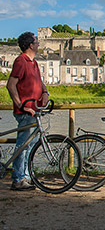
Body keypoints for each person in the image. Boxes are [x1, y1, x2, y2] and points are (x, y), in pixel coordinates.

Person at [6, 32, 49, 191]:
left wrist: (45, 93)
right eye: (36, 42)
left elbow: (40, 81)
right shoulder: (21, 61)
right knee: (23, 146)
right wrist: (21, 105)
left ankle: (25, 176)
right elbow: (11, 85)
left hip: (34, 110)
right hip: (26, 112)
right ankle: (18, 179)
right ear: (31, 45)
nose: (38, 44)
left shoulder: (34, 63)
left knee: (29, 145)